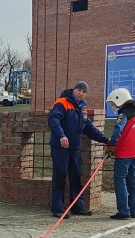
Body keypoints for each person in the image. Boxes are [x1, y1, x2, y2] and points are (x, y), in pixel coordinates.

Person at [47, 81, 109, 219]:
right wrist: (61, 135)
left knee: (76, 176)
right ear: (73, 90)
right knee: (60, 175)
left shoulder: (82, 108)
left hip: (75, 148)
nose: (81, 93)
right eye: (79, 90)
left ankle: (77, 206)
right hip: (60, 146)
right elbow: (53, 121)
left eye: (84, 92)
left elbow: (90, 129)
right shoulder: (61, 103)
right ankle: (57, 208)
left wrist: (106, 140)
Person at [105, 88, 135, 220]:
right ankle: (134, 210)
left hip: (125, 153)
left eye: (114, 103)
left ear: (120, 99)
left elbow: (118, 129)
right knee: (133, 180)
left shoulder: (124, 114)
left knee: (120, 180)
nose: (114, 106)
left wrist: (111, 145)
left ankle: (123, 211)